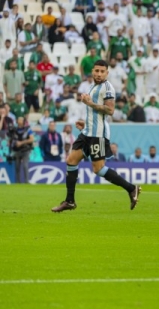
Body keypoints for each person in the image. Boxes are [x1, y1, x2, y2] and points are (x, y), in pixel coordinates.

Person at [51, 60, 141, 213]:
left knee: (98, 169)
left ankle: (131, 188)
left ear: (107, 73)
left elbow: (110, 110)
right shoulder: (92, 86)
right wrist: (86, 124)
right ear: (92, 71)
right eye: (96, 71)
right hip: (88, 132)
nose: (99, 74)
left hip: (97, 134)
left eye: (102, 71)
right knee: (71, 160)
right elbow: (96, 113)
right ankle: (70, 201)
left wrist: (90, 103)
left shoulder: (107, 88)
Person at [11, 116, 33, 183]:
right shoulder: (14, 130)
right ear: (17, 121)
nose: (20, 121)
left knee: (25, 166)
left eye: (21, 120)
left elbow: (31, 139)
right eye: (19, 120)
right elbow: (10, 139)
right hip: (17, 150)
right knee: (17, 166)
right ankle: (18, 182)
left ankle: (26, 181)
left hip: (25, 149)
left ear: (24, 121)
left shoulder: (28, 129)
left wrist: (22, 142)